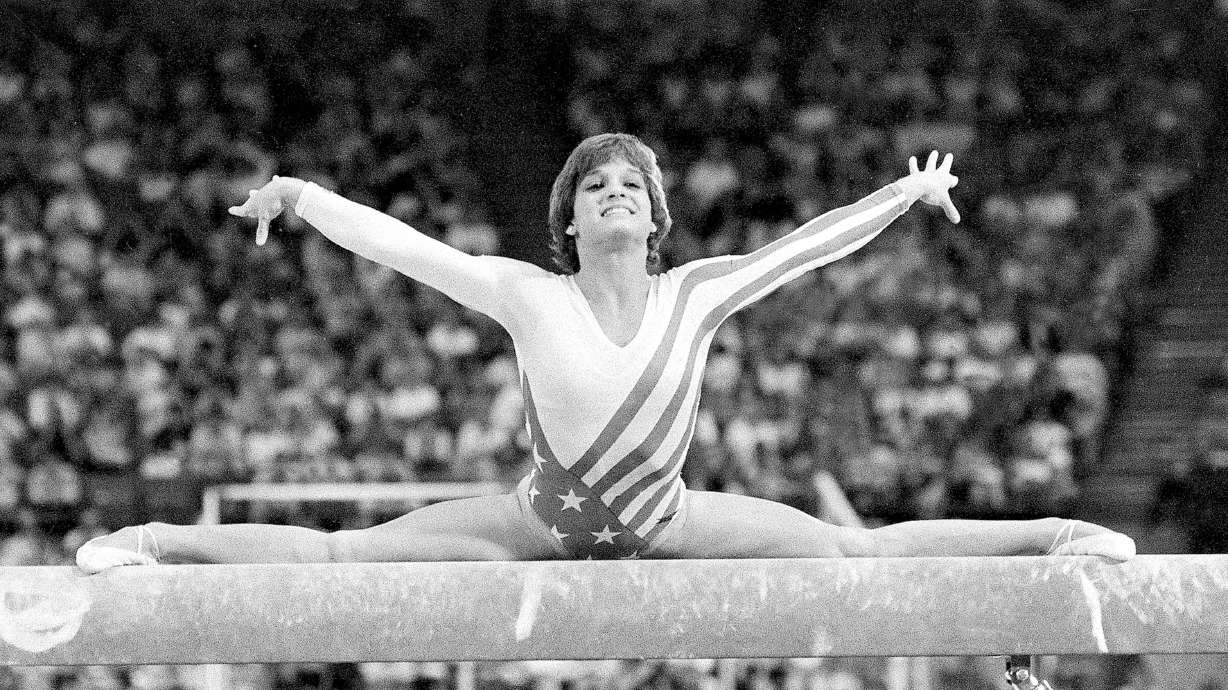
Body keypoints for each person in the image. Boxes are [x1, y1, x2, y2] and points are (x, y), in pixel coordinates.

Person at [77, 133, 1135, 570]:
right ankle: (153, 542)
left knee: (855, 554)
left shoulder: (698, 292)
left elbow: (804, 248)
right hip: (536, 519)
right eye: (596, 185)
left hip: (671, 520)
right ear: (572, 220)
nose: (615, 192)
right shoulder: (526, 295)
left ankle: (1057, 535)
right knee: (346, 559)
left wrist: (904, 194)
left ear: (657, 218)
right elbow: (407, 250)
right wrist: (302, 196)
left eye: (632, 184)